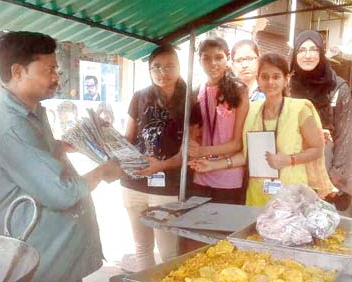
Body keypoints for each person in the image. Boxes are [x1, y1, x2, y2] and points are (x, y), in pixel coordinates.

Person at [0, 31, 123, 282]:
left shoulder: (31, 113)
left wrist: (70, 143)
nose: (56, 77)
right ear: (18, 72)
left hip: (58, 258)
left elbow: (38, 153)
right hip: (40, 261)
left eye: (57, 70)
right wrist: (102, 172)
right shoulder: (12, 127)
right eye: (49, 70)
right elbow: (62, 193)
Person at [190, 53, 333, 206]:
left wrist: (289, 159)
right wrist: (213, 165)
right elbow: (248, 155)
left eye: (276, 77)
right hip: (257, 193)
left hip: (291, 195)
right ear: (258, 80)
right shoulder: (252, 110)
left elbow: (317, 149)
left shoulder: (299, 109)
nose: (270, 82)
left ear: (286, 80)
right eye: (264, 77)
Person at [120, 45, 186, 271]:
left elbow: (188, 152)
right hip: (134, 183)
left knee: (169, 252)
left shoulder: (191, 101)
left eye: (169, 66)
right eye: (156, 67)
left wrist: (160, 165)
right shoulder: (139, 97)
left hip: (167, 188)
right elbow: (128, 138)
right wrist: (105, 138)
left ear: (179, 67)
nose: (162, 72)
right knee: (142, 248)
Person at [290, 30, 352, 218]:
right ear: (295, 55)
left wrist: (337, 180)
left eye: (313, 49)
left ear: (321, 53)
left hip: (327, 172)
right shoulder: (288, 86)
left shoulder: (337, 88)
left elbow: (345, 139)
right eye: (302, 50)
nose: (308, 55)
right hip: (295, 171)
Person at [187, 37, 249, 204]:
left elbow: (237, 144)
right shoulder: (195, 92)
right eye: (206, 57)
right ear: (199, 61)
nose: (212, 63)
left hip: (229, 177)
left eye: (218, 57)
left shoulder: (240, 92)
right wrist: (193, 148)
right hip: (201, 174)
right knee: (197, 227)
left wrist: (201, 151)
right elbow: (194, 135)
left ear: (227, 59)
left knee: (223, 229)